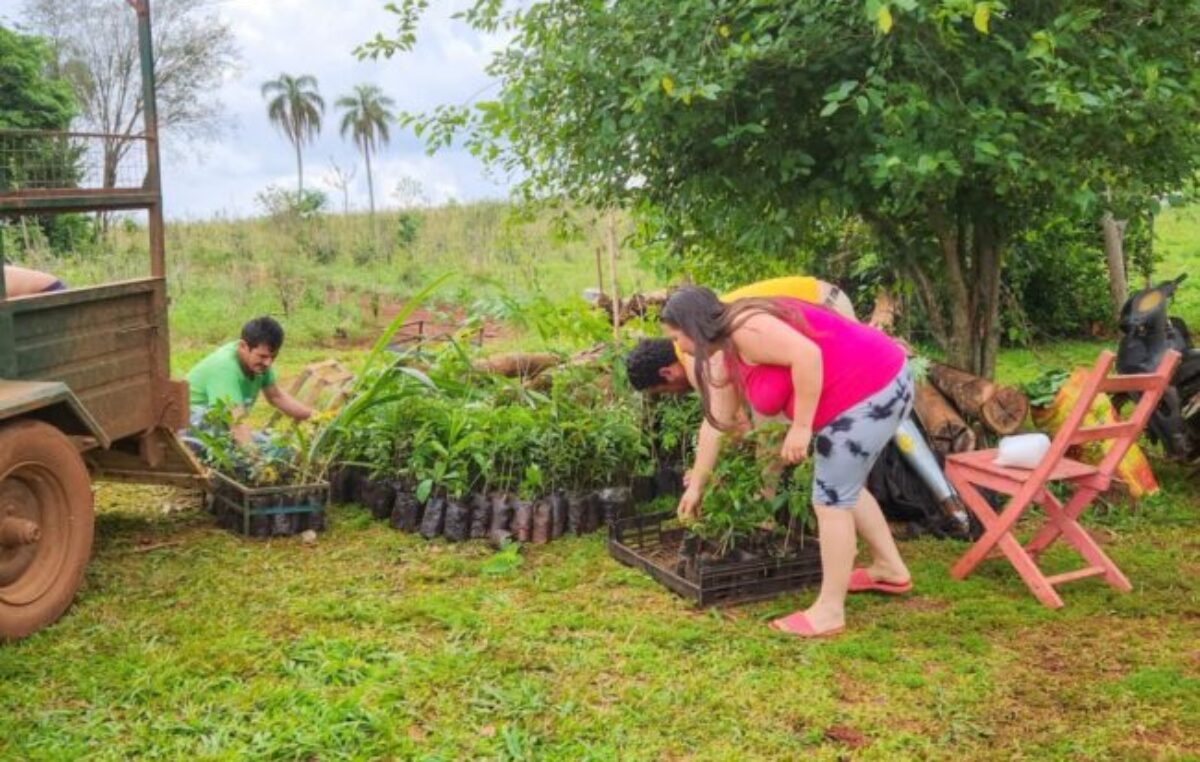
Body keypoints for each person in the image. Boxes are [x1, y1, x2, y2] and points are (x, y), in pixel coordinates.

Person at [661, 286, 913, 638]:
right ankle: (889, 567)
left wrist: (801, 427)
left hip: (874, 387)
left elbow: (807, 355)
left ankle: (829, 611)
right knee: (842, 486)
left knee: (830, 502)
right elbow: (716, 422)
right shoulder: (722, 354)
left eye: (677, 337)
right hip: (863, 390)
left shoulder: (746, 328)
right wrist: (698, 484)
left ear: (693, 325)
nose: (680, 348)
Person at [626, 275, 853, 394]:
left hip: (822, 304)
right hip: (822, 297)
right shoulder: (705, 330)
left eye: (664, 391)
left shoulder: (696, 352)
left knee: (855, 393)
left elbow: (723, 422)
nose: (673, 394)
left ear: (667, 373)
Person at [185, 316, 313, 445]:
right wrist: (255, 460)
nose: (268, 363)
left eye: (273, 357)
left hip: (224, 427)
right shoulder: (224, 368)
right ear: (243, 346)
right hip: (191, 430)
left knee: (275, 448)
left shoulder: (258, 364)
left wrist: (316, 417)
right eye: (262, 356)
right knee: (250, 455)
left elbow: (276, 396)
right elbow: (236, 423)